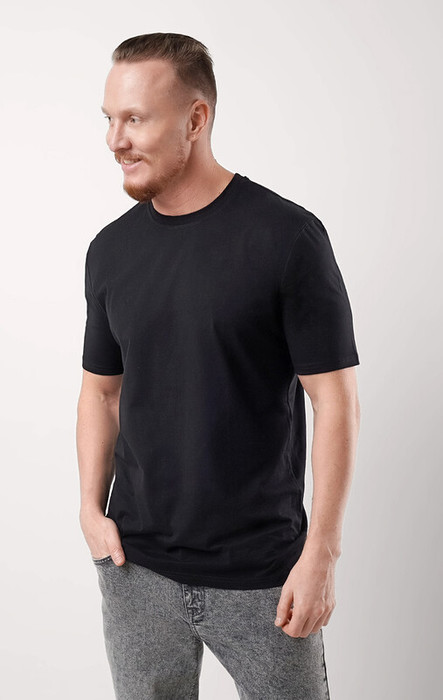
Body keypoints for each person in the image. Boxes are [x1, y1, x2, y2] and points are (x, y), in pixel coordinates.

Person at [76, 31, 360, 700]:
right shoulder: (110, 251)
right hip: (136, 568)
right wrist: (90, 509)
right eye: (109, 118)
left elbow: (335, 401)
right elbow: (101, 393)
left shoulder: (286, 237)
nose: (115, 140)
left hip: (264, 576)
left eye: (135, 119)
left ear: (196, 119)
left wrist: (320, 554)